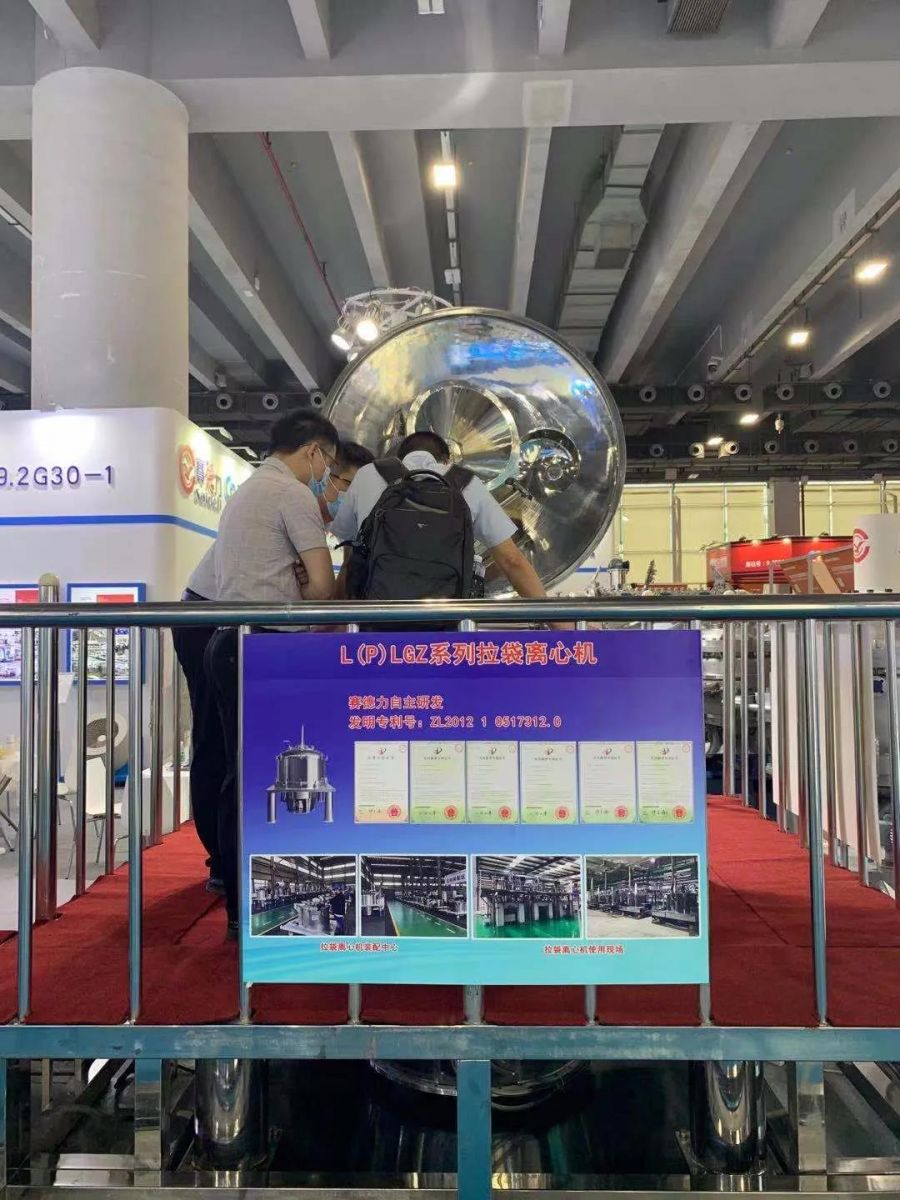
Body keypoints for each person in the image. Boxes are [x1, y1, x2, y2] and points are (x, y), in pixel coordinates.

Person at [205, 411, 339, 937]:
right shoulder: (293, 495)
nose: (325, 476)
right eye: (327, 464)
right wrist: (308, 583)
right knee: (272, 776)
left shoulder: (247, 490)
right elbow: (323, 589)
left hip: (229, 642)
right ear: (313, 451)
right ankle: (260, 907)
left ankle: (239, 909)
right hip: (268, 648)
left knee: (238, 775)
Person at [329, 430, 553, 605]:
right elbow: (512, 561)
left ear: (399, 458)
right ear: (446, 460)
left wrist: (329, 626)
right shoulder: (466, 483)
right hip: (445, 622)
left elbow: (350, 562)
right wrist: (562, 630)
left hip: (378, 621)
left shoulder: (368, 474)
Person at [170, 544, 225, 893]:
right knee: (216, 738)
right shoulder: (295, 512)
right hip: (208, 622)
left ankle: (224, 858)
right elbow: (322, 585)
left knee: (220, 740)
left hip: (215, 618)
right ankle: (221, 859)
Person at [309, 440, 375, 526]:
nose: (356, 496)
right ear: (326, 475)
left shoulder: (339, 530)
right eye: (351, 485)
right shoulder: (299, 514)